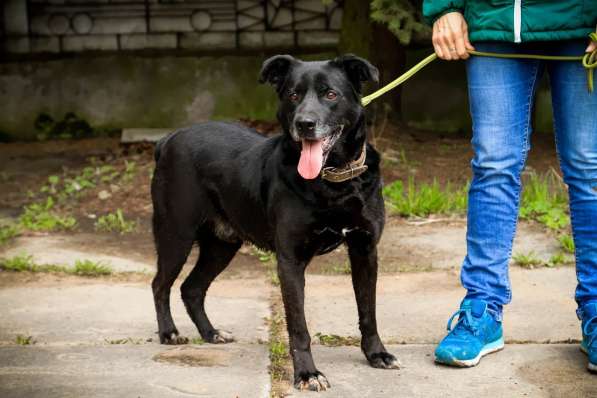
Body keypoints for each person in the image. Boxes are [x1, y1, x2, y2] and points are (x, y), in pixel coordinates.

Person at [421, 1, 597, 372]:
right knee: (493, 166)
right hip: (494, 21)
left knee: (589, 170)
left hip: (583, 23)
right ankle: (482, 309)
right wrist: (445, 7)